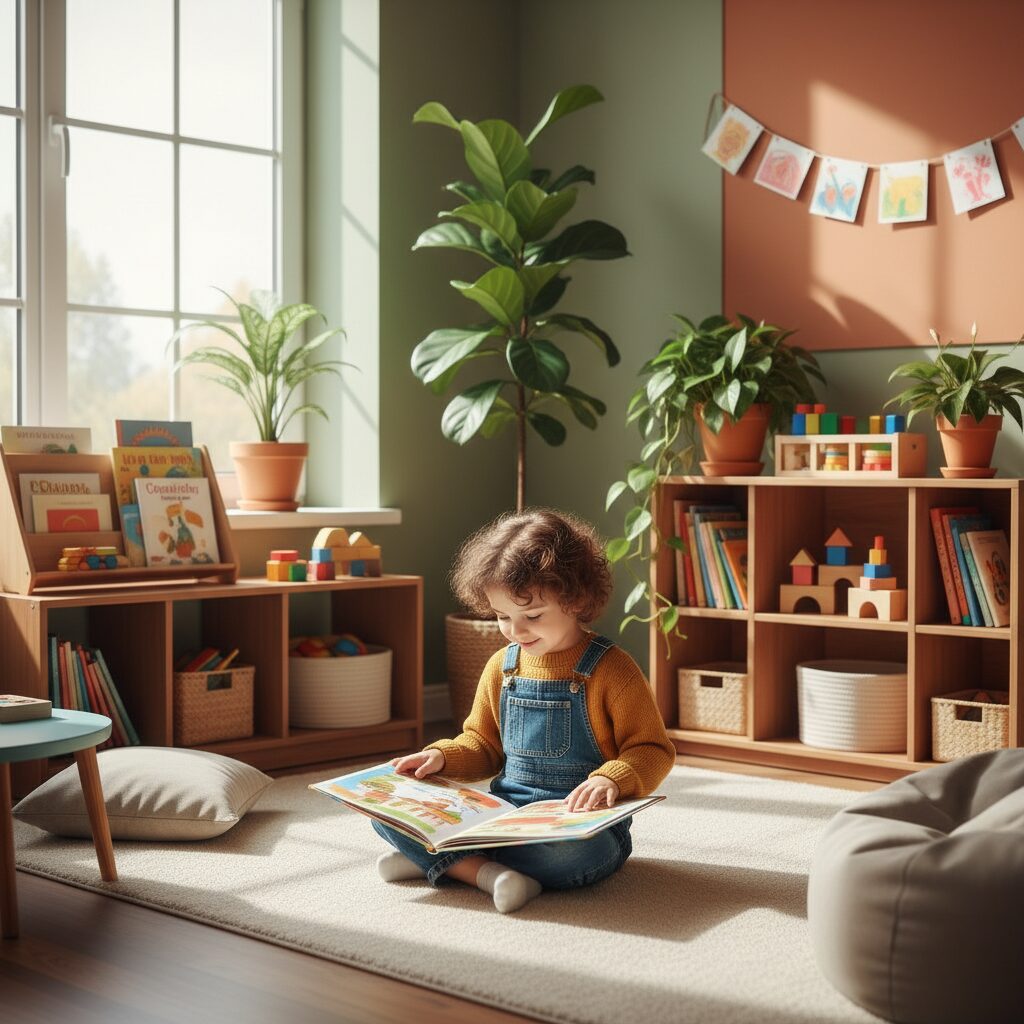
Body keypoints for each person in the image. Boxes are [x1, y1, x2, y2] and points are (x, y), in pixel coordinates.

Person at [371, 507, 676, 913]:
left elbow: (652, 749)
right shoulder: (502, 666)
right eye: (502, 616)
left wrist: (613, 779)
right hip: (504, 817)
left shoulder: (612, 670)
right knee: (385, 815)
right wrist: (440, 757)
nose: (515, 630)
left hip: (577, 824)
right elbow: (482, 745)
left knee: (575, 855)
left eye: (532, 615)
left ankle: (449, 863)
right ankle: (487, 873)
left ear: (575, 599)